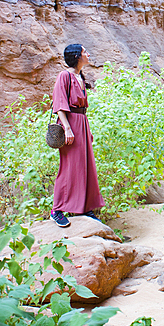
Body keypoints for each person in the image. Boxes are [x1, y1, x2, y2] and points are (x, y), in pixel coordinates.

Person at [49, 44, 104, 227]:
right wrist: (67, 128)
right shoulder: (64, 76)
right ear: (76, 56)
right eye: (84, 52)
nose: (87, 54)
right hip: (70, 123)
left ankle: (84, 208)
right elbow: (59, 104)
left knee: (85, 167)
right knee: (69, 168)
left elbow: (82, 108)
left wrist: (86, 130)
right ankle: (57, 210)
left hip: (81, 123)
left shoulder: (80, 76)